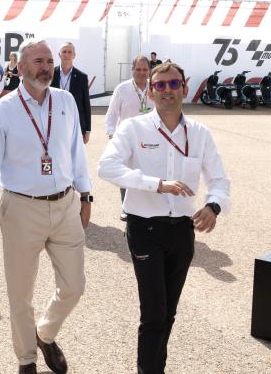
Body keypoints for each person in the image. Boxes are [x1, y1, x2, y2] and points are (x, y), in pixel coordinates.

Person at [97, 61, 230, 374]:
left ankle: (157, 368)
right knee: (154, 313)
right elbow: (107, 167)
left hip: (182, 233)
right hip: (145, 228)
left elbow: (220, 181)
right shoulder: (134, 128)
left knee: (168, 312)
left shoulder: (199, 133)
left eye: (173, 84)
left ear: (184, 88)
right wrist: (155, 184)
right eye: (160, 85)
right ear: (151, 91)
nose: (167, 91)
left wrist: (213, 206)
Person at [0, 39, 92, 374]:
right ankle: (26, 359)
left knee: (74, 286)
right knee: (20, 294)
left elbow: (76, 154)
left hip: (66, 205)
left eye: (49, 61)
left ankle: (45, 333)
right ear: (21, 68)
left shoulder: (66, 101)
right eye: (38, 61)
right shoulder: (4, 109)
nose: (45, 67)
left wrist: (85, 196)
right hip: (21, 209)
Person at [105, 54, 152, 221]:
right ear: (132, 70)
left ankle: (146, 206)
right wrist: (112, 134)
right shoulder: (122, 89)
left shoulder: (155, 88)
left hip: (150, 140)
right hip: (126, 139)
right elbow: (112, 114)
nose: (141, 72)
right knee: (126, 174)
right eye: (138, 69)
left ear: (149, 71)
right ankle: (126, 207)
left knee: (148, 172)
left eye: (145, 69)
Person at [51, 42, 92, 143]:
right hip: (53, 123)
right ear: (59, 54)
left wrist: (87, 130)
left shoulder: (82, 77)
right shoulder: (50, 74)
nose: (66, 54)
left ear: (74, 55)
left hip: (75, 123)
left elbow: (86, 103)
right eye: (64, 51)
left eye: (69, 52)